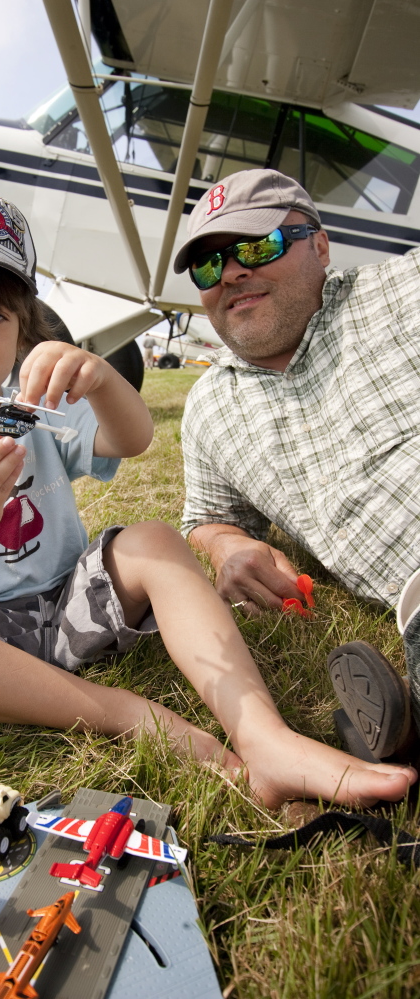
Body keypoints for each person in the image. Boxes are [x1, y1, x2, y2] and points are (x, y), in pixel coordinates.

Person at [0, 181, 415, 809]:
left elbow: (133, 438)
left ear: (21, 328)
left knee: (153, 538)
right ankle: (129, 714)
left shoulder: (35, 408)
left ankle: (263, 735)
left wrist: (98, 378)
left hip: (69, 610)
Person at [174, 167, 420, 764]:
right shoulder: (209, 409)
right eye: (210, 265)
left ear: (321, 244)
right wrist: (227, 549)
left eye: (257, 245)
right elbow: (205, 518)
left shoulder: (404, 288)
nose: (232, 271)